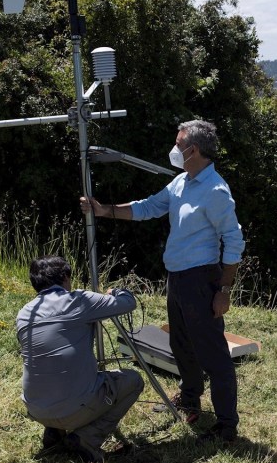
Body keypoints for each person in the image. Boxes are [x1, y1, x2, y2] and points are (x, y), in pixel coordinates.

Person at [80, 119, 245, 443]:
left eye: (178, 142)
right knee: (181, 344)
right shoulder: (182, 183)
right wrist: (104, 210)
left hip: (201, 280)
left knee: (213, 355)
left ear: (193, 150)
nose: (174, 148)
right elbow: (149, 208)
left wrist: (223, 290)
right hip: (179, 279)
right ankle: (190, 399)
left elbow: (234, 240)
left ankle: (226, 426)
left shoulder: (215, 191)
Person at [16, 255, 144, 463]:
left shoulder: (24, 313)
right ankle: (87, 437)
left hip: (36, 408)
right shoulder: (78, 300)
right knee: (133, 380)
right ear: (65, 277)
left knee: (56, 372)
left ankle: (55, 432)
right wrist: (114, 292)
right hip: (74, 408)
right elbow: (128, 303)